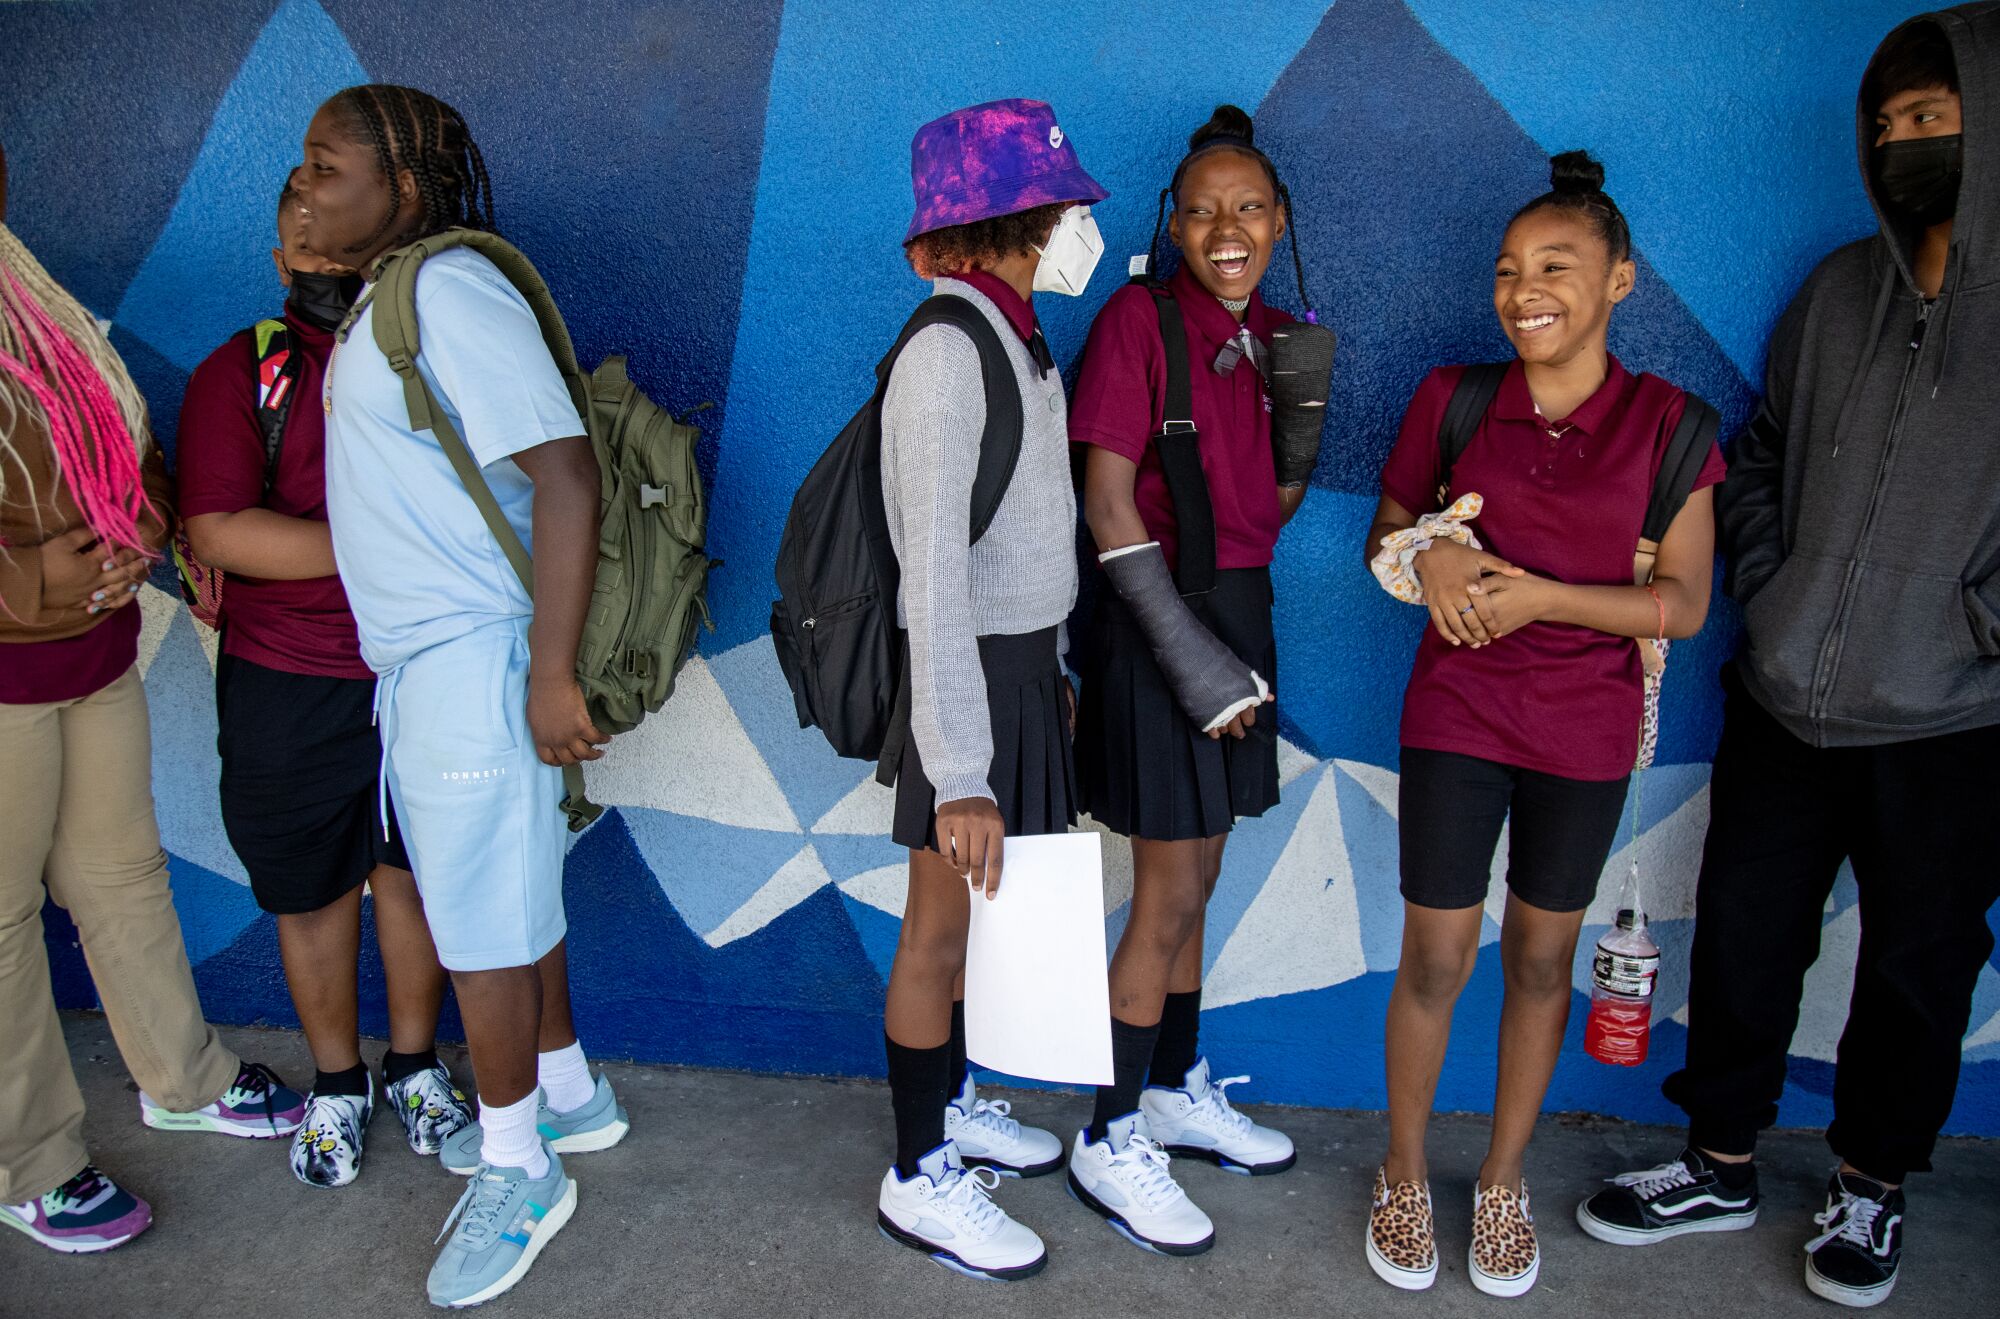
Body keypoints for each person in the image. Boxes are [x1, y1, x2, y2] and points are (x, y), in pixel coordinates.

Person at [1579, 9, 2000, 1309]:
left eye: (1931, 118)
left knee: (1921, 965)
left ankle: (1872, 1183)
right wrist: (1769, 588)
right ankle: (1718, 1159)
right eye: (1887, 126)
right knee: (1749, 937)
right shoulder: (1834, 291)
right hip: (1783, 696)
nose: (1904, 144)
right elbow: (1752, 459)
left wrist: (1977, 627)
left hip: (1947, 719)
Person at [1362, 151, 1724, 1298]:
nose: (1525, 289)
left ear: (1619, 279)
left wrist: (1537, 595)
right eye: (1510, 269)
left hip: (1584, 728)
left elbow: (1682, 601)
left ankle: (1504, 1178)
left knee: (1538, 956)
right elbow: (1386, 531)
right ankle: (1404, 1171)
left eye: (1556, 266)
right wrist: (1439, 552)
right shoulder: (1453, 399)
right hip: (1457, 711)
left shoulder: (1671, 425)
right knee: (1433, 953)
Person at [294, 84, 626, 1307]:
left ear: (407, 192)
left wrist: (547, 671)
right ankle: (569, 1090)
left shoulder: (444, 290)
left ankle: (515, 1165)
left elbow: (567, 473)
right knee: (506, 893)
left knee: (476, 927)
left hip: (474, 660)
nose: (301, 186)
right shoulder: (383, 306)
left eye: (327, 166)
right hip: (436, 667)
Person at [0, 138, 306, 1256]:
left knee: (121, 873)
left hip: (88, 651)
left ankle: (183, 1077)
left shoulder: (26, 297)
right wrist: (43, 576)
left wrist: (140, 529)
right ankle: (28, 1159)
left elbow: (116, 447)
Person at [176, 181, 473, 1189]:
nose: (312, 245)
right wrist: (386, 548)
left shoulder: (439, 345)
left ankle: (416, 1064)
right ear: (274, 261)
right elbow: (218, 528)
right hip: (288, 679)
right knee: (309, 891)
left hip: (426, 666)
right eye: (290, 231)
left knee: (415, 873)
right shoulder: (247, 371)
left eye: (328, 223)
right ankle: (338, 1081)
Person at [1067, 104, 1325, 1255]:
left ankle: (1171, 1086)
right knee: (1164, 887)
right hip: (1152, 622)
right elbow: (1108, 503)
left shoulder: (1271, 333)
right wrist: (1186, 654)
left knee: (1205, 870)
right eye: (1202, 210)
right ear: (1170, 224)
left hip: (1240, 614)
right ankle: (1107, 1130)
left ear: (1277, 220)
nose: (1226, 227)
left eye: (1248, 207)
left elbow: (1264, 505)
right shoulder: (1138, 320)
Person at [873, 98, 1107, 1282]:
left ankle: (953, 1098)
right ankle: (916, 1171)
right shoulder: (945, 352)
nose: (1078, 229)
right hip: (960, 687)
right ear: (1012, 222)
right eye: (1065, 210)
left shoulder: (1011, 334)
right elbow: (933, 581)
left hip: (1014, 674)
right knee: (933, 926)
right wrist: (958, 770)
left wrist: (1044, 675)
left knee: (976, 921)